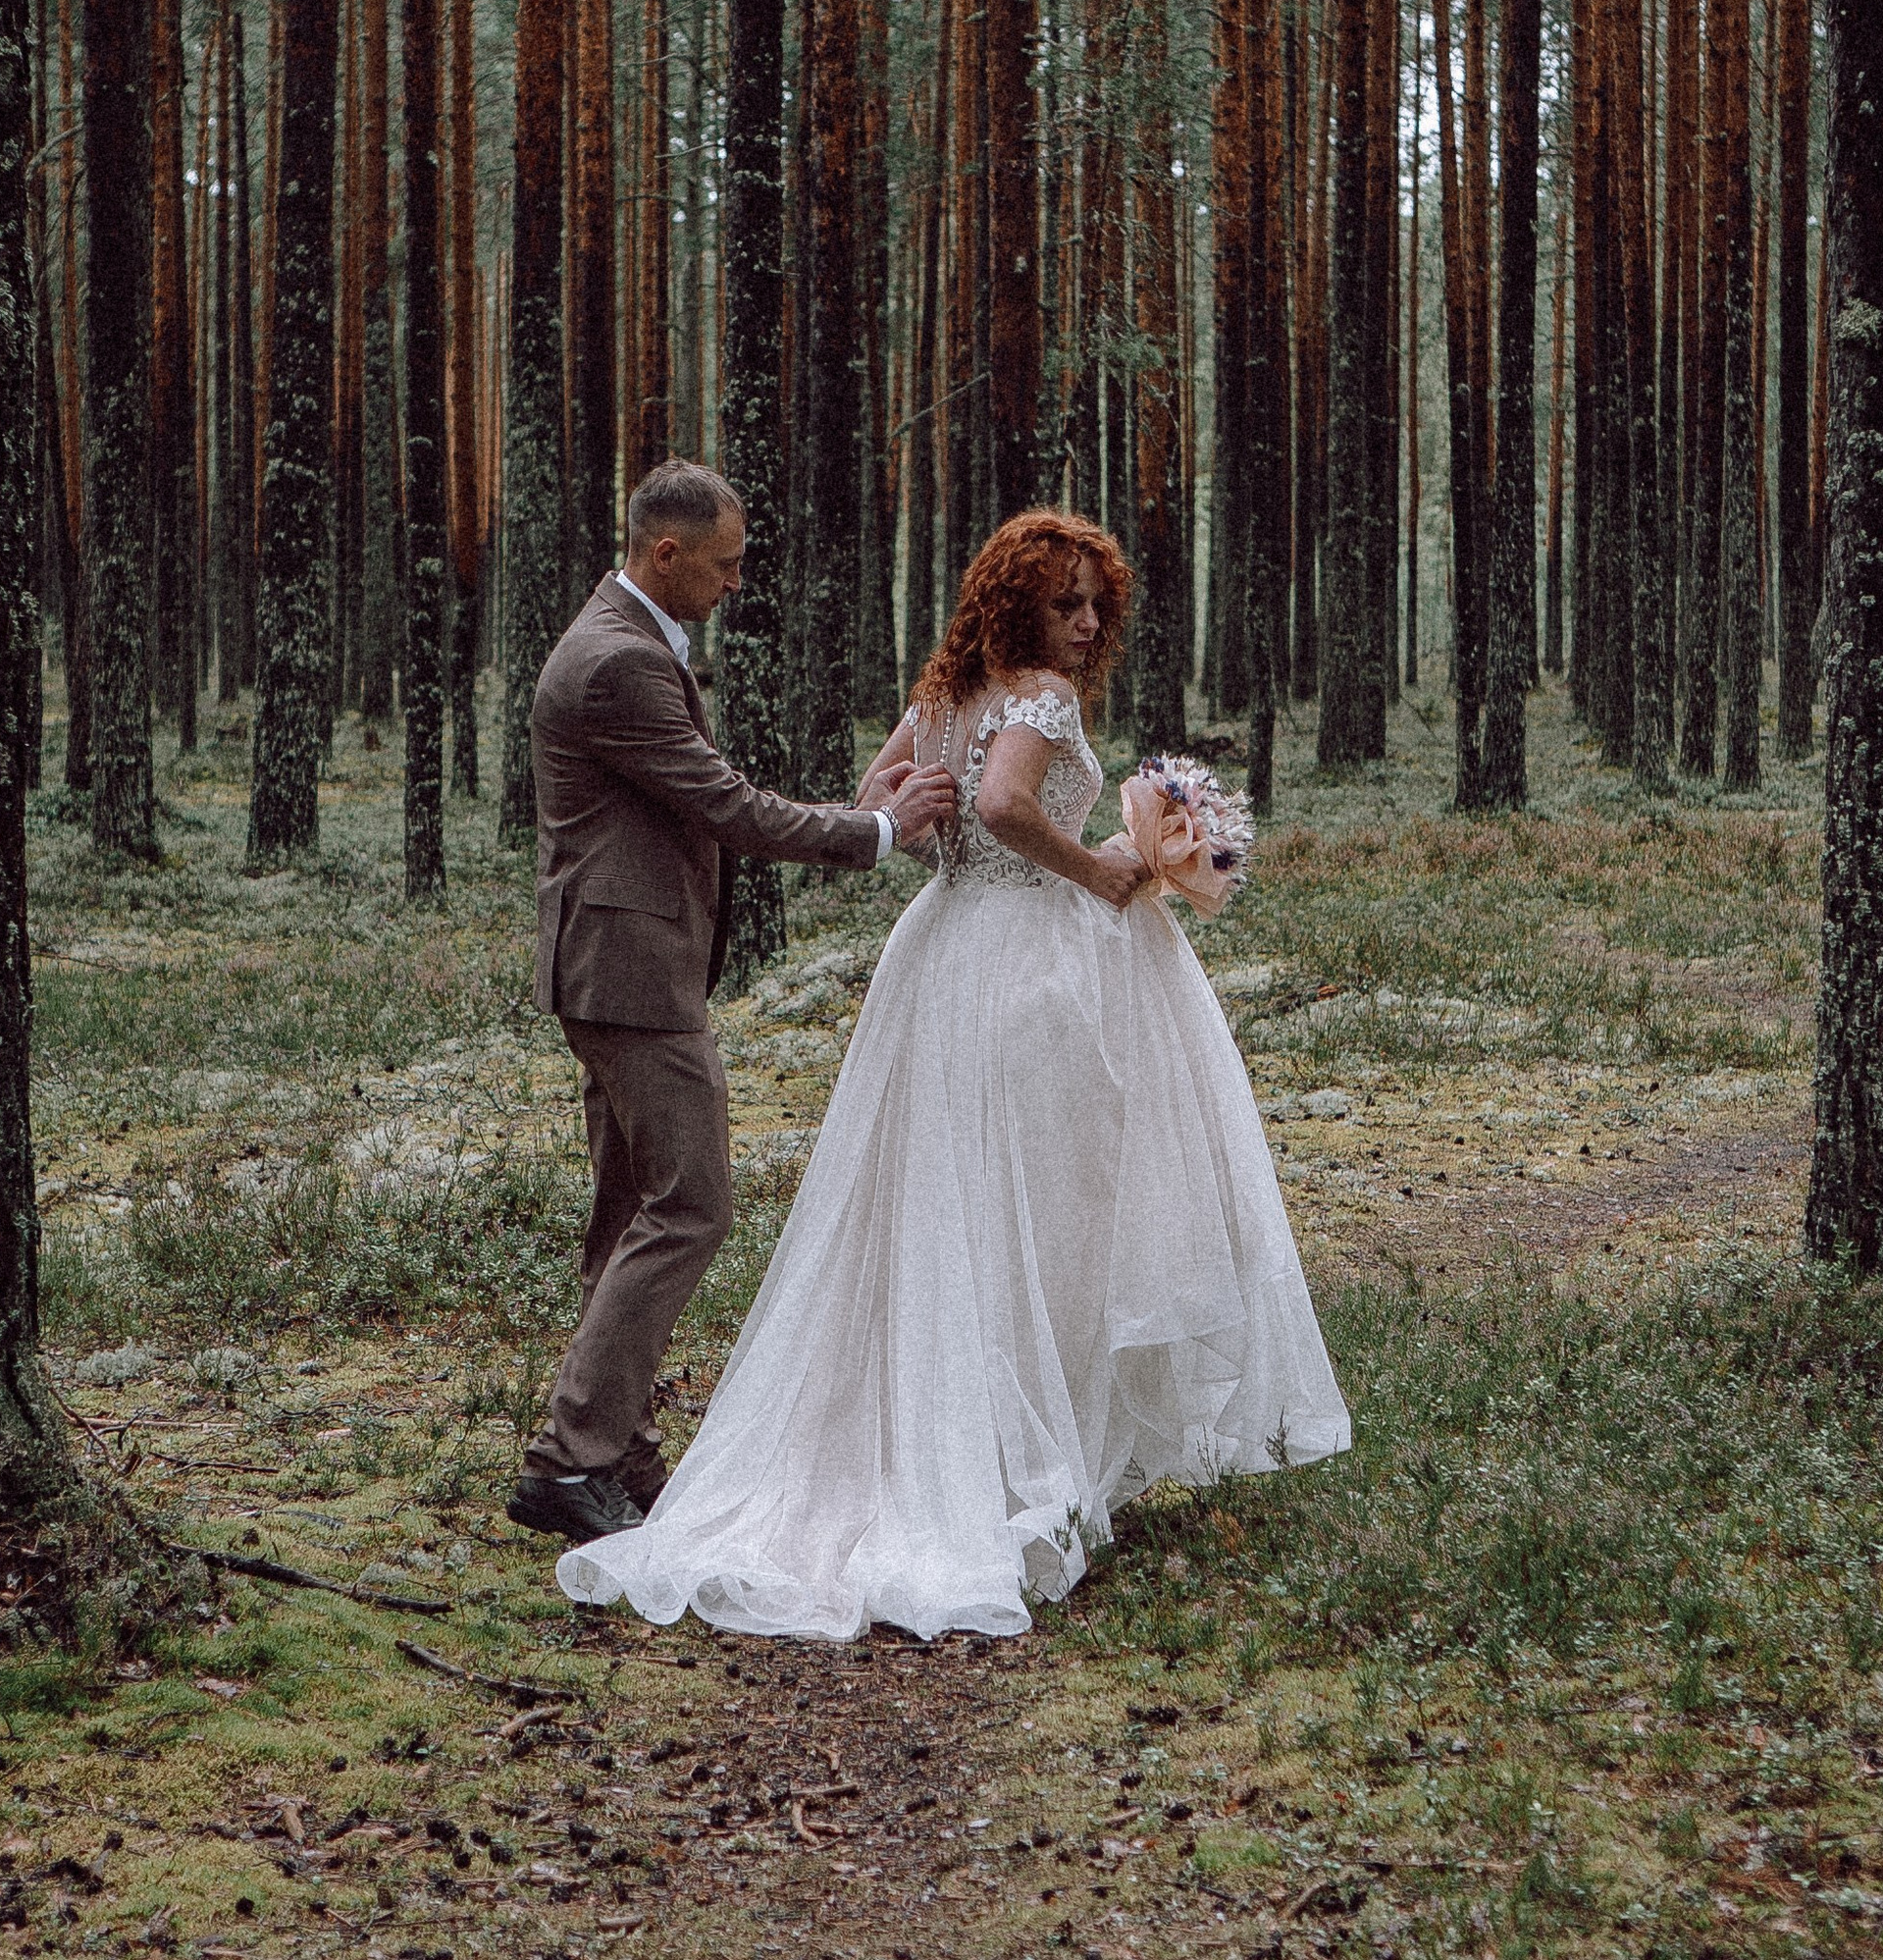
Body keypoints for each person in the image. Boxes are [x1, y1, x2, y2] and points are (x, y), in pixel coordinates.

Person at [554, 507, 1350, 1641]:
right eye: (1065, 604)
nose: (1085, 626)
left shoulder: (944, 697)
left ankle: (969, 1431)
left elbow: (883, 792)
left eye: (1096, 606)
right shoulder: (1040, 697)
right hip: (1023, 962)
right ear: (1018, 604)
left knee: (949, 1202)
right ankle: (1009, 1455)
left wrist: (940, 842)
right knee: (1039, 1205)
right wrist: (1094, 870)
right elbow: (999, 804)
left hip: (939, 950)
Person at [509, 459, 957, 1549]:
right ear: (665, 554)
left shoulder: (625, 638)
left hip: (614, 965)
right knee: (693, 1205)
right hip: (629, 974)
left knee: (629, 1209)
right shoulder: (619, 662)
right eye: (724, 564)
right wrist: (878, 832)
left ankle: (613, 1445)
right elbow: (723, 804)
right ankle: (570, 1459)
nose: (735, 582)